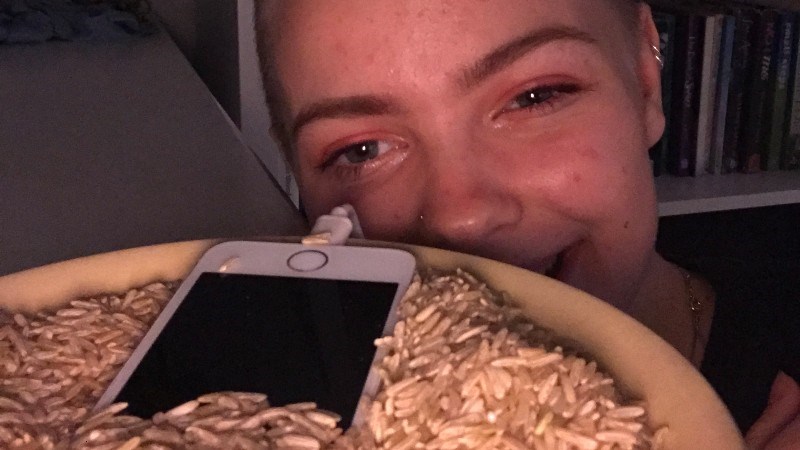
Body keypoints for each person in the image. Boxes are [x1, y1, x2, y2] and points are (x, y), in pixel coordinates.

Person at [253, 0, 800, 447]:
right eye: (362, 150)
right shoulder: (271, 404)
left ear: (644, 81)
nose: (461, 219)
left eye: (534, 97)